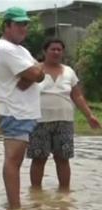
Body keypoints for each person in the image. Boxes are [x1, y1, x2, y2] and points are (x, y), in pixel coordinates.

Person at [27, 38, 101, 192]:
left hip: (65, 122)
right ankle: (35, 194)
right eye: (52, 49)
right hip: (39, 121)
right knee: (39, 159)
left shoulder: (69, 71)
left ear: (63, 52)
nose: (56, 52)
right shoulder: (35, 70)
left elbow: (77, 96)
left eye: (59, 50)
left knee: (63, 159)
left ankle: (65, 194)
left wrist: (89, 116)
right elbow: (22, 92)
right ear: (44, 52)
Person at [0, 7, 45, 209]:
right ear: (6, 26)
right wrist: (34, 73)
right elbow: (37, 73)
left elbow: (35, 72)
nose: (23, 28)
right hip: (15, 112)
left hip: (24, 112)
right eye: (19, 24)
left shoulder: (20, 49)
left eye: (25, 24)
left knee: (16, 161)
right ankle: (14, 208)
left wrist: (33, 74)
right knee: (13, 161)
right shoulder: (5, 48)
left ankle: (14, 206)